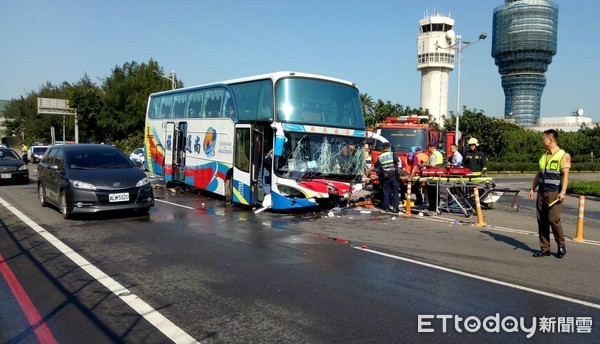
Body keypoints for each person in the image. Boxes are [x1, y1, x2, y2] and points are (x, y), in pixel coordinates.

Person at [529, 129, 570, 258]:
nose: (542, 141)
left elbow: (566, 175)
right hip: (542, 192)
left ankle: (561, 245)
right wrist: (532, 188)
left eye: (544, 139)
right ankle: (545, 248)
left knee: (553, 219)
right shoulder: (544, 156)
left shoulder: (563, 155)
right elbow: (539, 174)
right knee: (542, 220)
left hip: (554, 193)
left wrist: (563, 192)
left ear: (550, 140)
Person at [374, 142, 401, 213]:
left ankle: (386, 207)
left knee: (386, 192)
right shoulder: (392, 154)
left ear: (383, 148)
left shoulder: (380, 156)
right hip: (394, 176)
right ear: (389, 147)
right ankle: (395, 207)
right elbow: (397, 163)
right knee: (395, 192)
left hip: (384, 177)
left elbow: (376, 167)